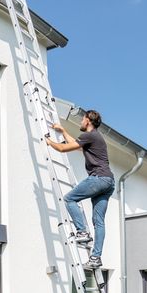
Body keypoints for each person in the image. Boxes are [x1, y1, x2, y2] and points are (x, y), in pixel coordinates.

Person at [48, 110, 114, 270]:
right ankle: (96, 258)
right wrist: (63, 131)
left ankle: (82, 232)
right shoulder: (94, 137)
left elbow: (65, 149)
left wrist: (48, 142)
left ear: (88, 121)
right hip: (108, 181)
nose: (81, 122)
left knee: (69, 199)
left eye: (82, 119)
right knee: (99, 222)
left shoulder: (90, 135)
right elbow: (76, 145)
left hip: (98, 178)